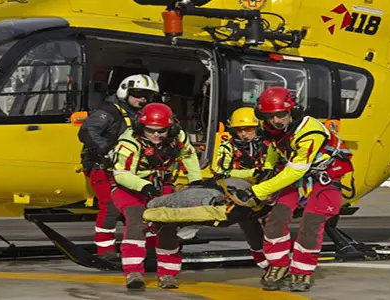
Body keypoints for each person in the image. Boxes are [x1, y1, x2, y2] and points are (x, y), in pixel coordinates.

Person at [234, 86, 353, 292]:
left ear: (292, 111)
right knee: (276, 218)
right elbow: (274, 148)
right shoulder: (273, 129)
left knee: (312, 223)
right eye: (270, 116)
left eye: (281, 114)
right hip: (297, 179)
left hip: (324, 179)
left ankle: (302, 270)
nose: (276, 120)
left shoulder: (310, 131)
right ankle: (278, 265)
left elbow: (295, 171)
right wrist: (268, 170)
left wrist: (257, 191)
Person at [110, 102, 203, 290]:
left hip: (162, 186)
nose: (156, 135)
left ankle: (168, 273)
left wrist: (196, 182)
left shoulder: (178, 138)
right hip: (129, 187)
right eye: (150, 130)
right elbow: (121, 174)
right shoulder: (128, 143)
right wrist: (144, 186)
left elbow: (188, 156)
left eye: (161, 131)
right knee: (137, 221)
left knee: (167, 226)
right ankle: (133, 271)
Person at [77, 74, 160, 260]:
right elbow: (87, 131)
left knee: (143, 207)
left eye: (148, 96)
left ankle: (147, 245)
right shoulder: (109, 112)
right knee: (111, 207)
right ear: (126, 91)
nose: (143, 99)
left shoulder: (141, 116)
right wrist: (107, 149)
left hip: (131, 170)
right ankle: (105, 249)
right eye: (138, 94)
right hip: (103, 167)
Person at [212, 106, 272, 270]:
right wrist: (251, 173)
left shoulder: (269, 144)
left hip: (269, 189)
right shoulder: (227, 147)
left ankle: (277, 257)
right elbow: (220, 172)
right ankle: (261, 257)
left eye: (248, 129)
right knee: (249, 222)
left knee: (273, 222)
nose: (244, 134)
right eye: (239, 130)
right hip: (243, 192)